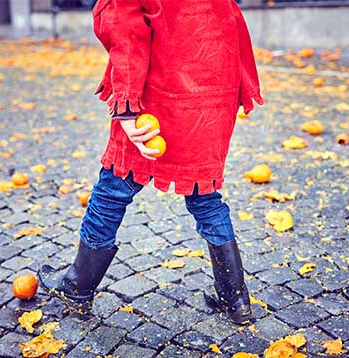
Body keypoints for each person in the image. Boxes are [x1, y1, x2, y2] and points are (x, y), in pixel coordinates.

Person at [38, 0, 263, 325]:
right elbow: (228, 17)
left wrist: (127, 105)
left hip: (156, 92)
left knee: (114, 184)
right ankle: (236, 299)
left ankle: (78, 284)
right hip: (212, 89)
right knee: (206, 195)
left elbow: (125, 28)